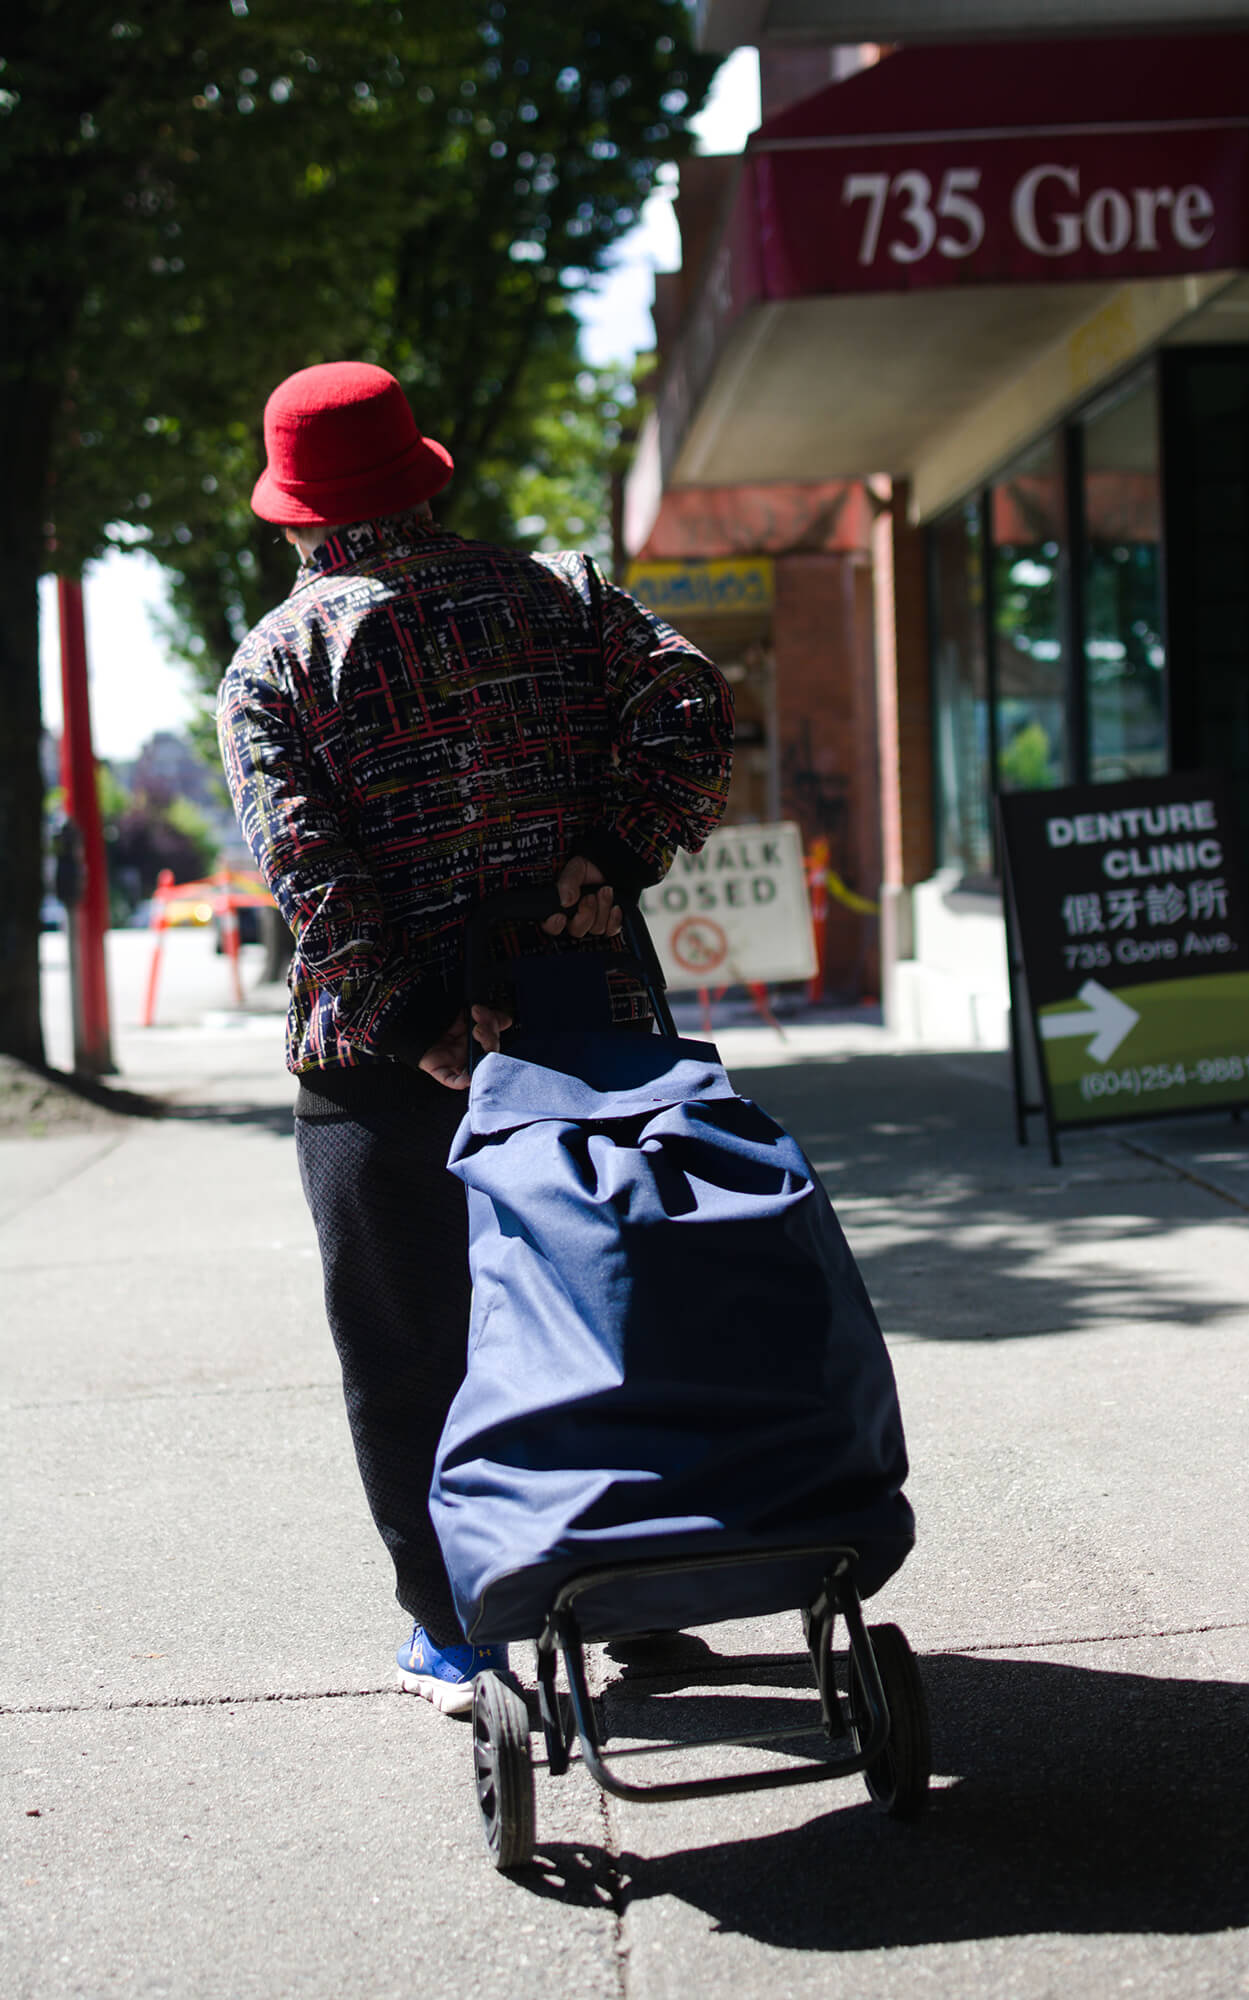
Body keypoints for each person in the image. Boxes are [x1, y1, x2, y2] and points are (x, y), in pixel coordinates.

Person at [217, 361, 733, 1713]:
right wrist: (615, 852)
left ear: (297, 518)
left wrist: (419, 1025)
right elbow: (690, 702)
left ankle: (455, 1631)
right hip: (590, 1024)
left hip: (381, 1070)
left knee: (410, 1351)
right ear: (425, 479)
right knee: (606, 1309)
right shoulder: (562, 596)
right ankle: (636, 1599)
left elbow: (310, 872)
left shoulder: (276, 664)